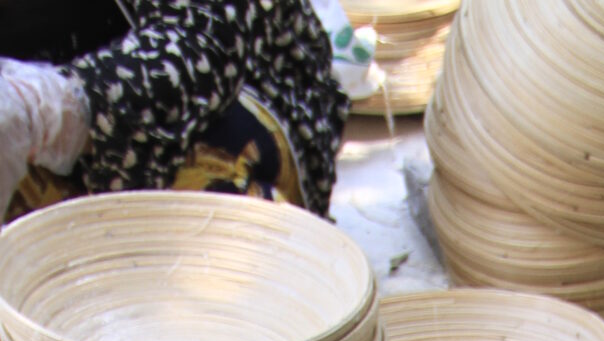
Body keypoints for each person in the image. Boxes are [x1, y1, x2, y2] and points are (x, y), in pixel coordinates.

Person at [0, 0, 345, 221]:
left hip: (223, 95)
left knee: (211, 235)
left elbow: (206, 40)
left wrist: (51, 107)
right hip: (33, 131)